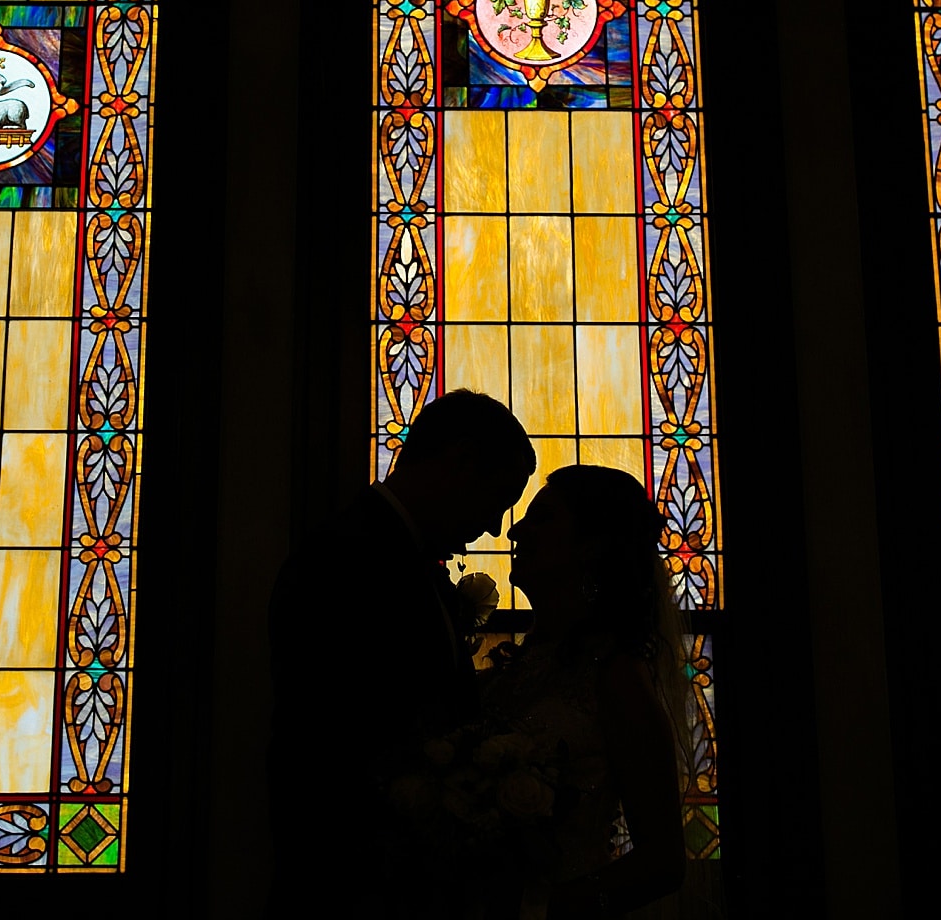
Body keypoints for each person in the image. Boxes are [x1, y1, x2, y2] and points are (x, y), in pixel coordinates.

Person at [266, 390, 536, 916]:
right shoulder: (345, 561)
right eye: (497, 501)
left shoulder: (400, 560)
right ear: (459, 461)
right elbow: (331, 744)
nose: (495, 528)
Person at [489, 465, 688, 918]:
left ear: (592, 545)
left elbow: (663, 864)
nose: (518, 530)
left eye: (543, 519)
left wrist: (541, 909)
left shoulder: (616, 677)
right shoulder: (521, 664)